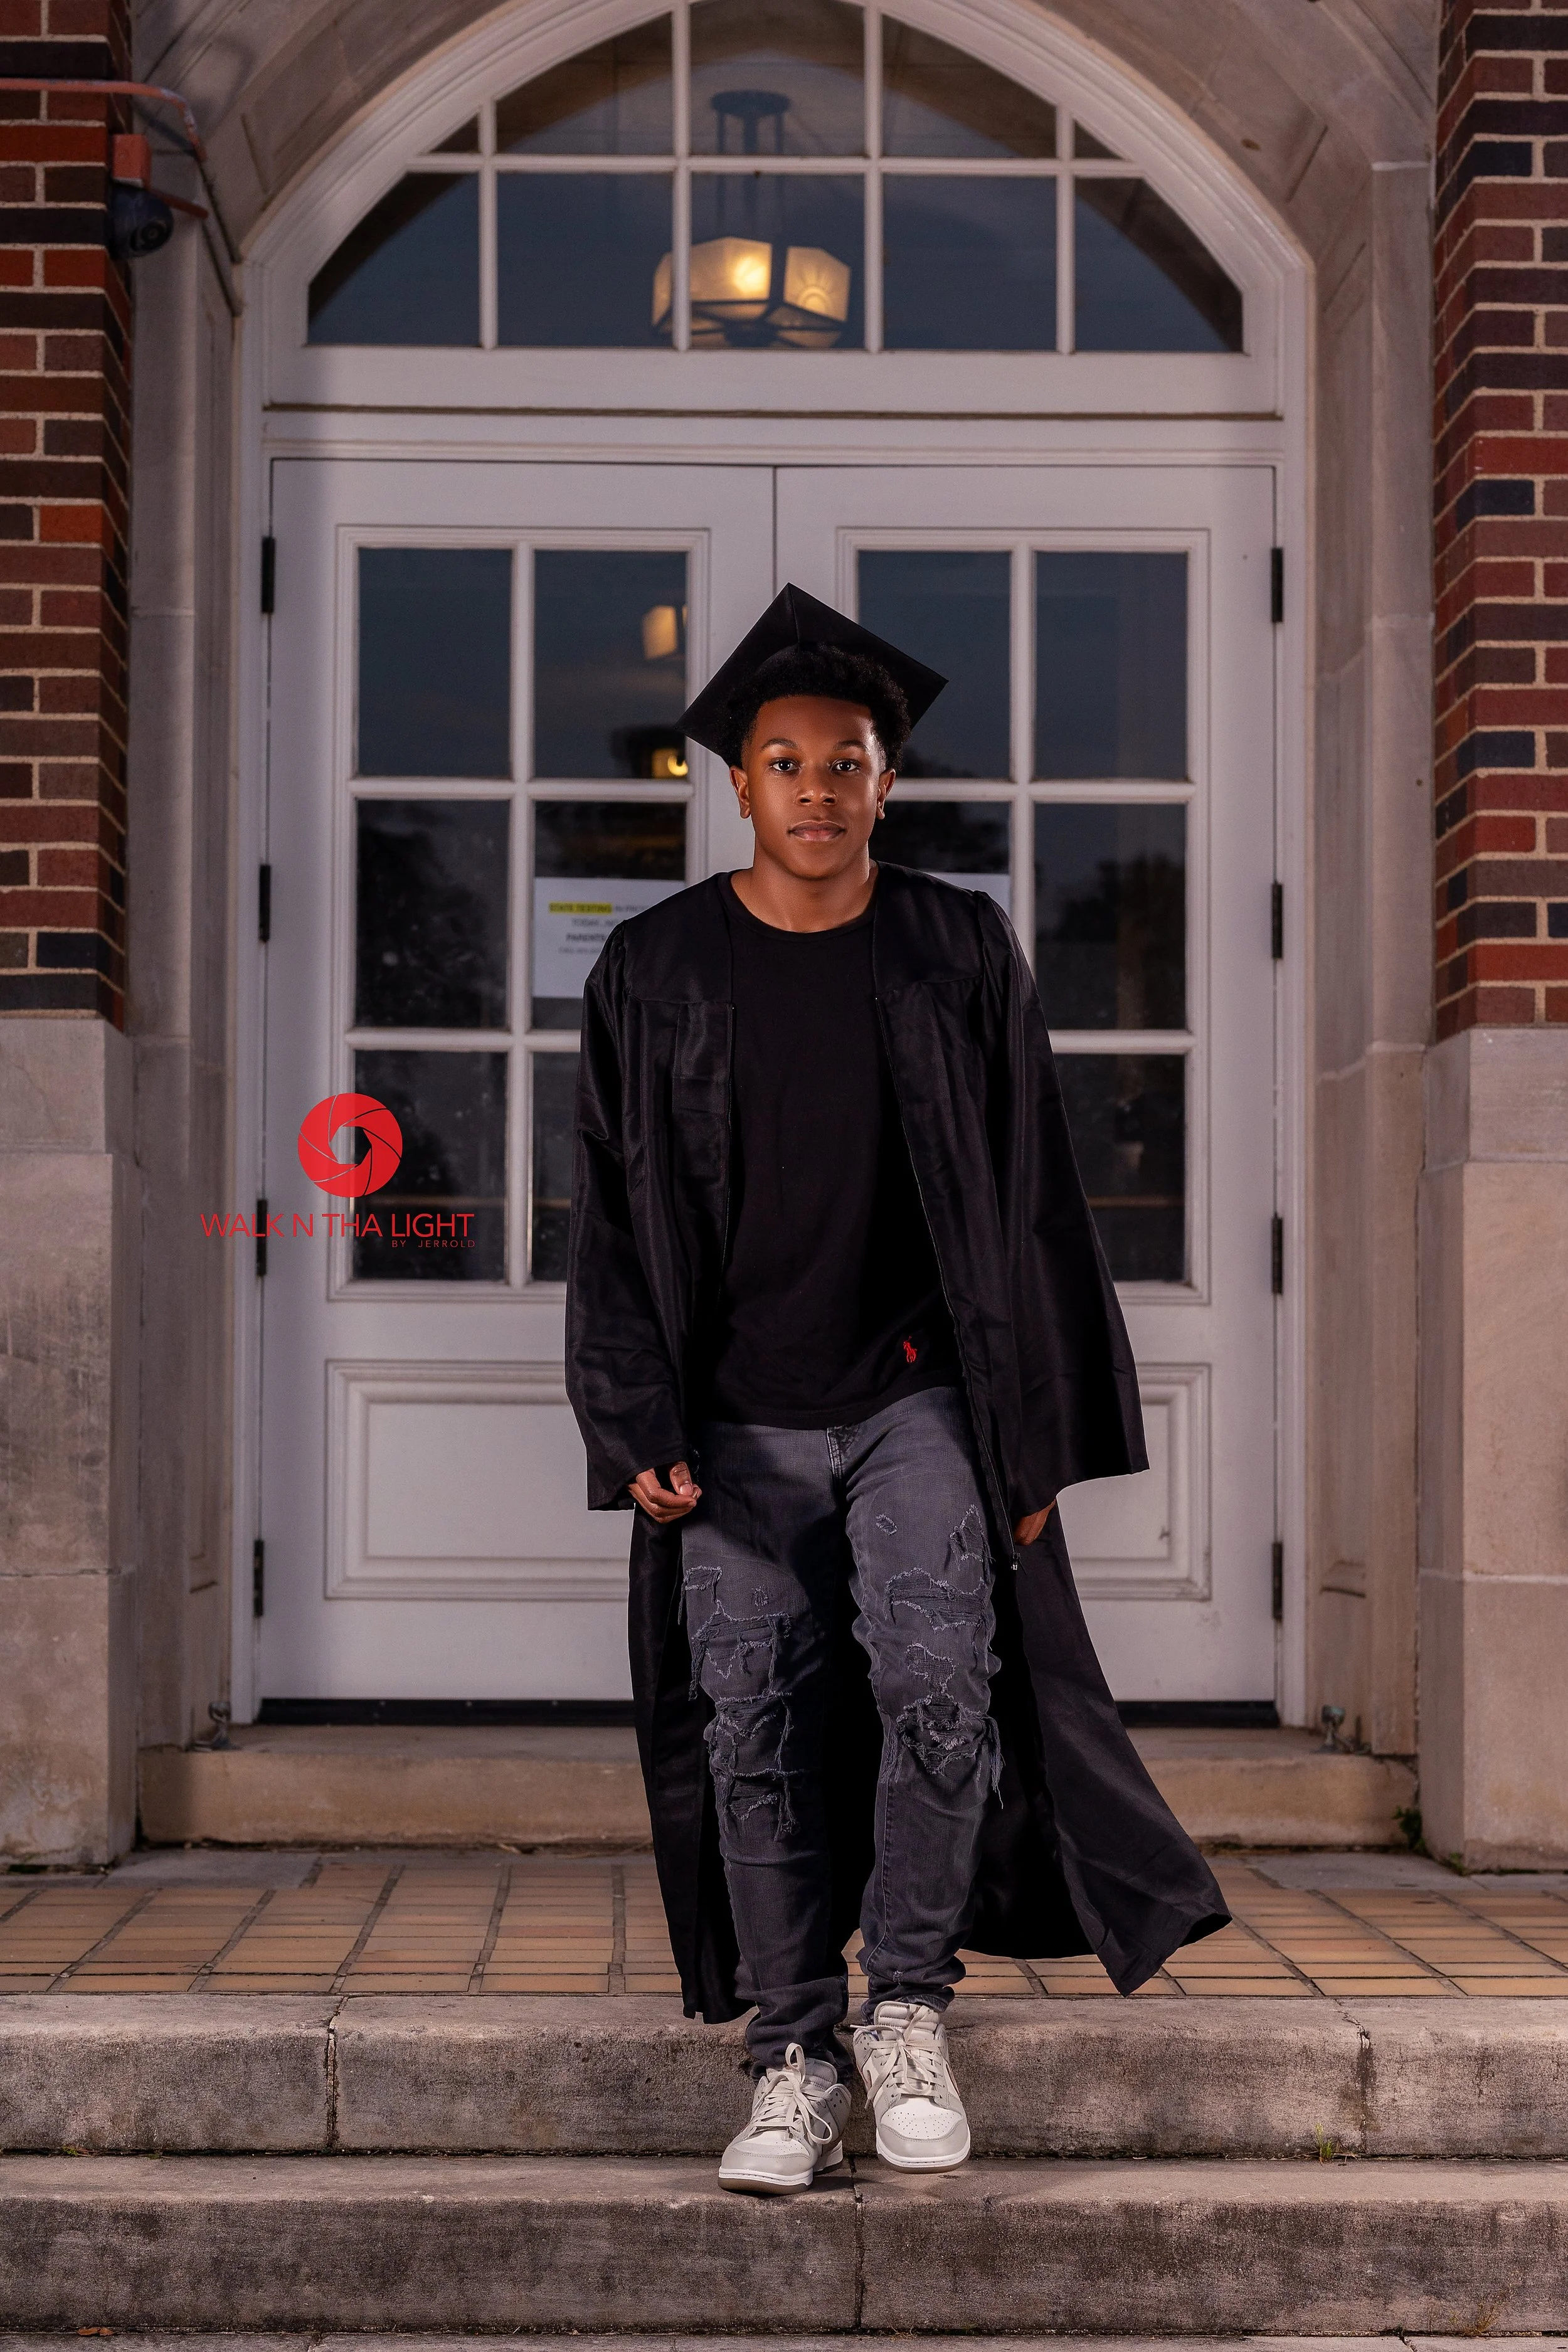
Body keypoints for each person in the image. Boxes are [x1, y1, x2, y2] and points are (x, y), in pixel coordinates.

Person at [566, 584, 1227, 2196]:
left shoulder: (953, 946)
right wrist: (635, 1419)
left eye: (844, 761)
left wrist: (1030, 1430)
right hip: (729, 1423)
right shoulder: (652, 970)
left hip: (916, 1403)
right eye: (782, 761)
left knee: (943, 1690)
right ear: (735, 779)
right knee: (753, 1730)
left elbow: (1027, 1196)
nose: (813, 789)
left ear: (883, 780)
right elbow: (602, 1213)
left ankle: (905, 2009)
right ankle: (790, 2054)